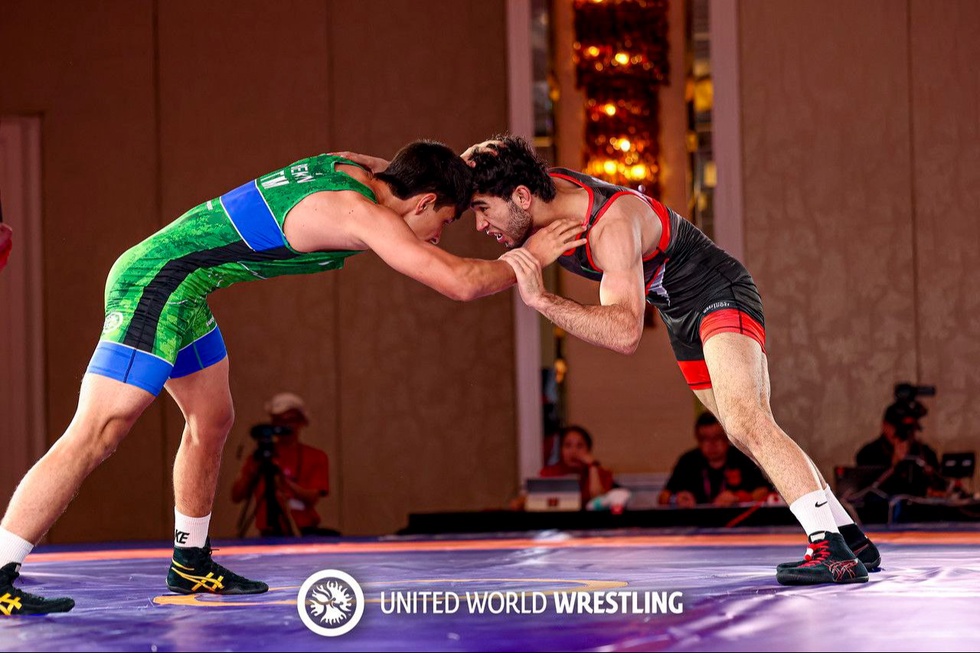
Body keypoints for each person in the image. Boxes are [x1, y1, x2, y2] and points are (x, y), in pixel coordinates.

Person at [0, 141, 585, 614]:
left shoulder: (356, 169)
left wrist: (465, 168)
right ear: (425, 199)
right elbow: (459, 282)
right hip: (156, 281)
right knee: (98, 432)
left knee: (212, 419)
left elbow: (389, 162)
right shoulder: (358, 213)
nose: (437, 235)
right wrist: (533, 255)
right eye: (446, 220)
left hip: (188, 288)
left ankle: (190, 562)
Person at [459, 135, 879, 585]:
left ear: (522, 196)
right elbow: (479, 161)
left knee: (748, 421)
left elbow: (625, 333)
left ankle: (830, 551)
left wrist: (542, 300)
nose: (480, 225)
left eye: (483, 209)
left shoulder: (610, 226)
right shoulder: (537, 193)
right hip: (680, 312)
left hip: (719, 292)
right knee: (744, 433)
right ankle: (849, 537)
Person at [231, 392, 336, 537]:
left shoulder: (316, 456)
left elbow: (312, 498)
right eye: (279, 420)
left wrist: (283, 481)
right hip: (268, 533)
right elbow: (236, 496)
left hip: (304, 531)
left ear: (302, 421)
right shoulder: (259, 457)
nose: (285, 425)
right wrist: (252, 470)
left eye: (291, 420)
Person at [658, 413, 771, 507]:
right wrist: (675, 499)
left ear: (727, 438)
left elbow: (764, 491)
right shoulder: (688, 461)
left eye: (717, 438)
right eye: (705, 439)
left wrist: (738, 498)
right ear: (698, 440)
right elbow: (662, 497)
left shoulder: (742, 458)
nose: (712, 444)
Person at [855, 400, 944, 498]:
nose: (904, 434)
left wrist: (929, 474)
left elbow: (939, 486)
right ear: (885, 426)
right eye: (899, 428)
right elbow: (867, 491)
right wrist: (893, 464)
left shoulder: (925, 453)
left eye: (910, 429)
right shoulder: (868, 454)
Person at [539, 425, 615, 505]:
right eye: (567, 445)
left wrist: (593, 466)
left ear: (588, 450)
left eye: (579, 446)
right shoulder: (548, 473)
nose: (573, 451)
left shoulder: (602, 474)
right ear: (561, 450)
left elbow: (599, 501)